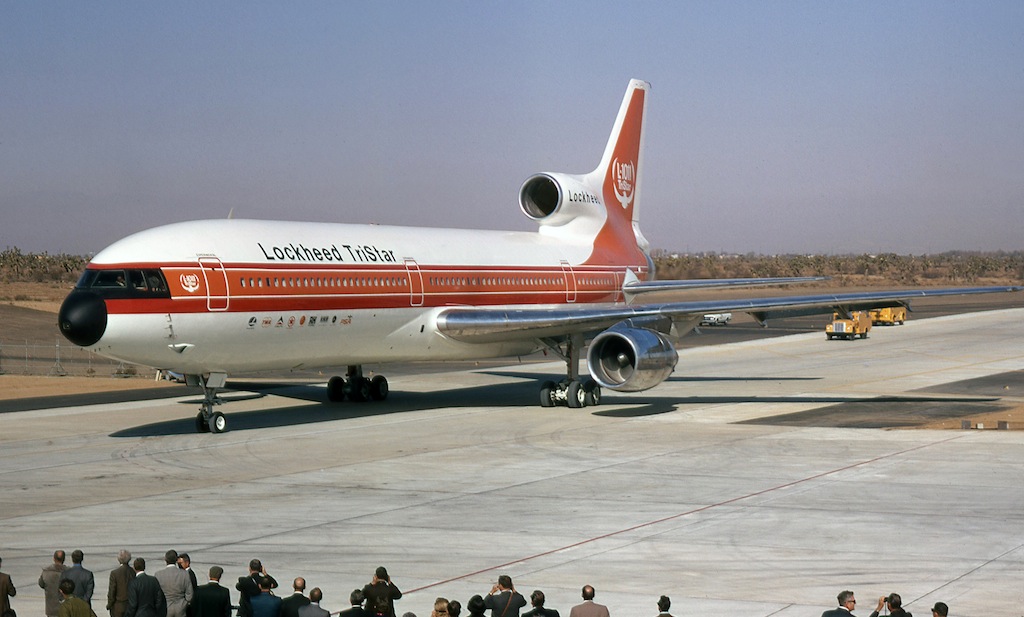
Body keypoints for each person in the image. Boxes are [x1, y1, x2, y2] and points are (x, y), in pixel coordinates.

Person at [154, 550, 193, 617]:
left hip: (165, 607)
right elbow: (189, 593)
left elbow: (156, 594)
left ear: (165, 560)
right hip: (180, 607)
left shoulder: (158, 575)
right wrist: (185, 603)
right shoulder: (184, 574)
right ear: (176, 560)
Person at [108, 550, 136, 617]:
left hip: (118, 607)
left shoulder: (114, 573)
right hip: (131, 606)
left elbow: (112, 590)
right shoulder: (133, 572)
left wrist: (109, 604)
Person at [40, 550, 67, 617]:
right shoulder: (68, 572)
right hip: (65, 608)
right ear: (64, 559)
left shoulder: (46, 571)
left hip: (51, 608)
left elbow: (41, 584)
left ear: (54, 559)